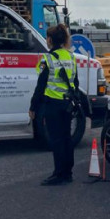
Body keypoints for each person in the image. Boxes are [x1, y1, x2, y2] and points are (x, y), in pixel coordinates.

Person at [29, 23, 79, 185]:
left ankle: (58, 174)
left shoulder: (48, 59)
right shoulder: (71, 57)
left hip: (53, 105)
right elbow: (75, 83)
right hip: (67, 104)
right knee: (66, 138)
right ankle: (68, 172)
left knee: (56, 140)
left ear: (50, 40)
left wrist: (33, 107)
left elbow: (40, 86)